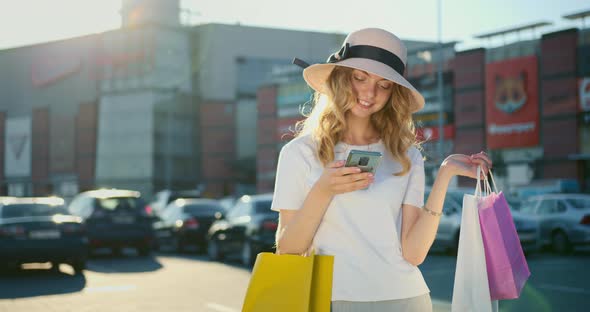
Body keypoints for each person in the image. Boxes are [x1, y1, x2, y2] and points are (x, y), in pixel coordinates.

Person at [270, 28, 492, 312]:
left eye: (384, 84)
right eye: (359, 78)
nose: (370, 92)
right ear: (340, 78)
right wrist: (324, 189)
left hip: (405, 299)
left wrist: (445, 175)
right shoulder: (299, 153)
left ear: (394, 92)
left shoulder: (406, 155)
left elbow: (413, 253)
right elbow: (288, 248)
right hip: (332, 299)